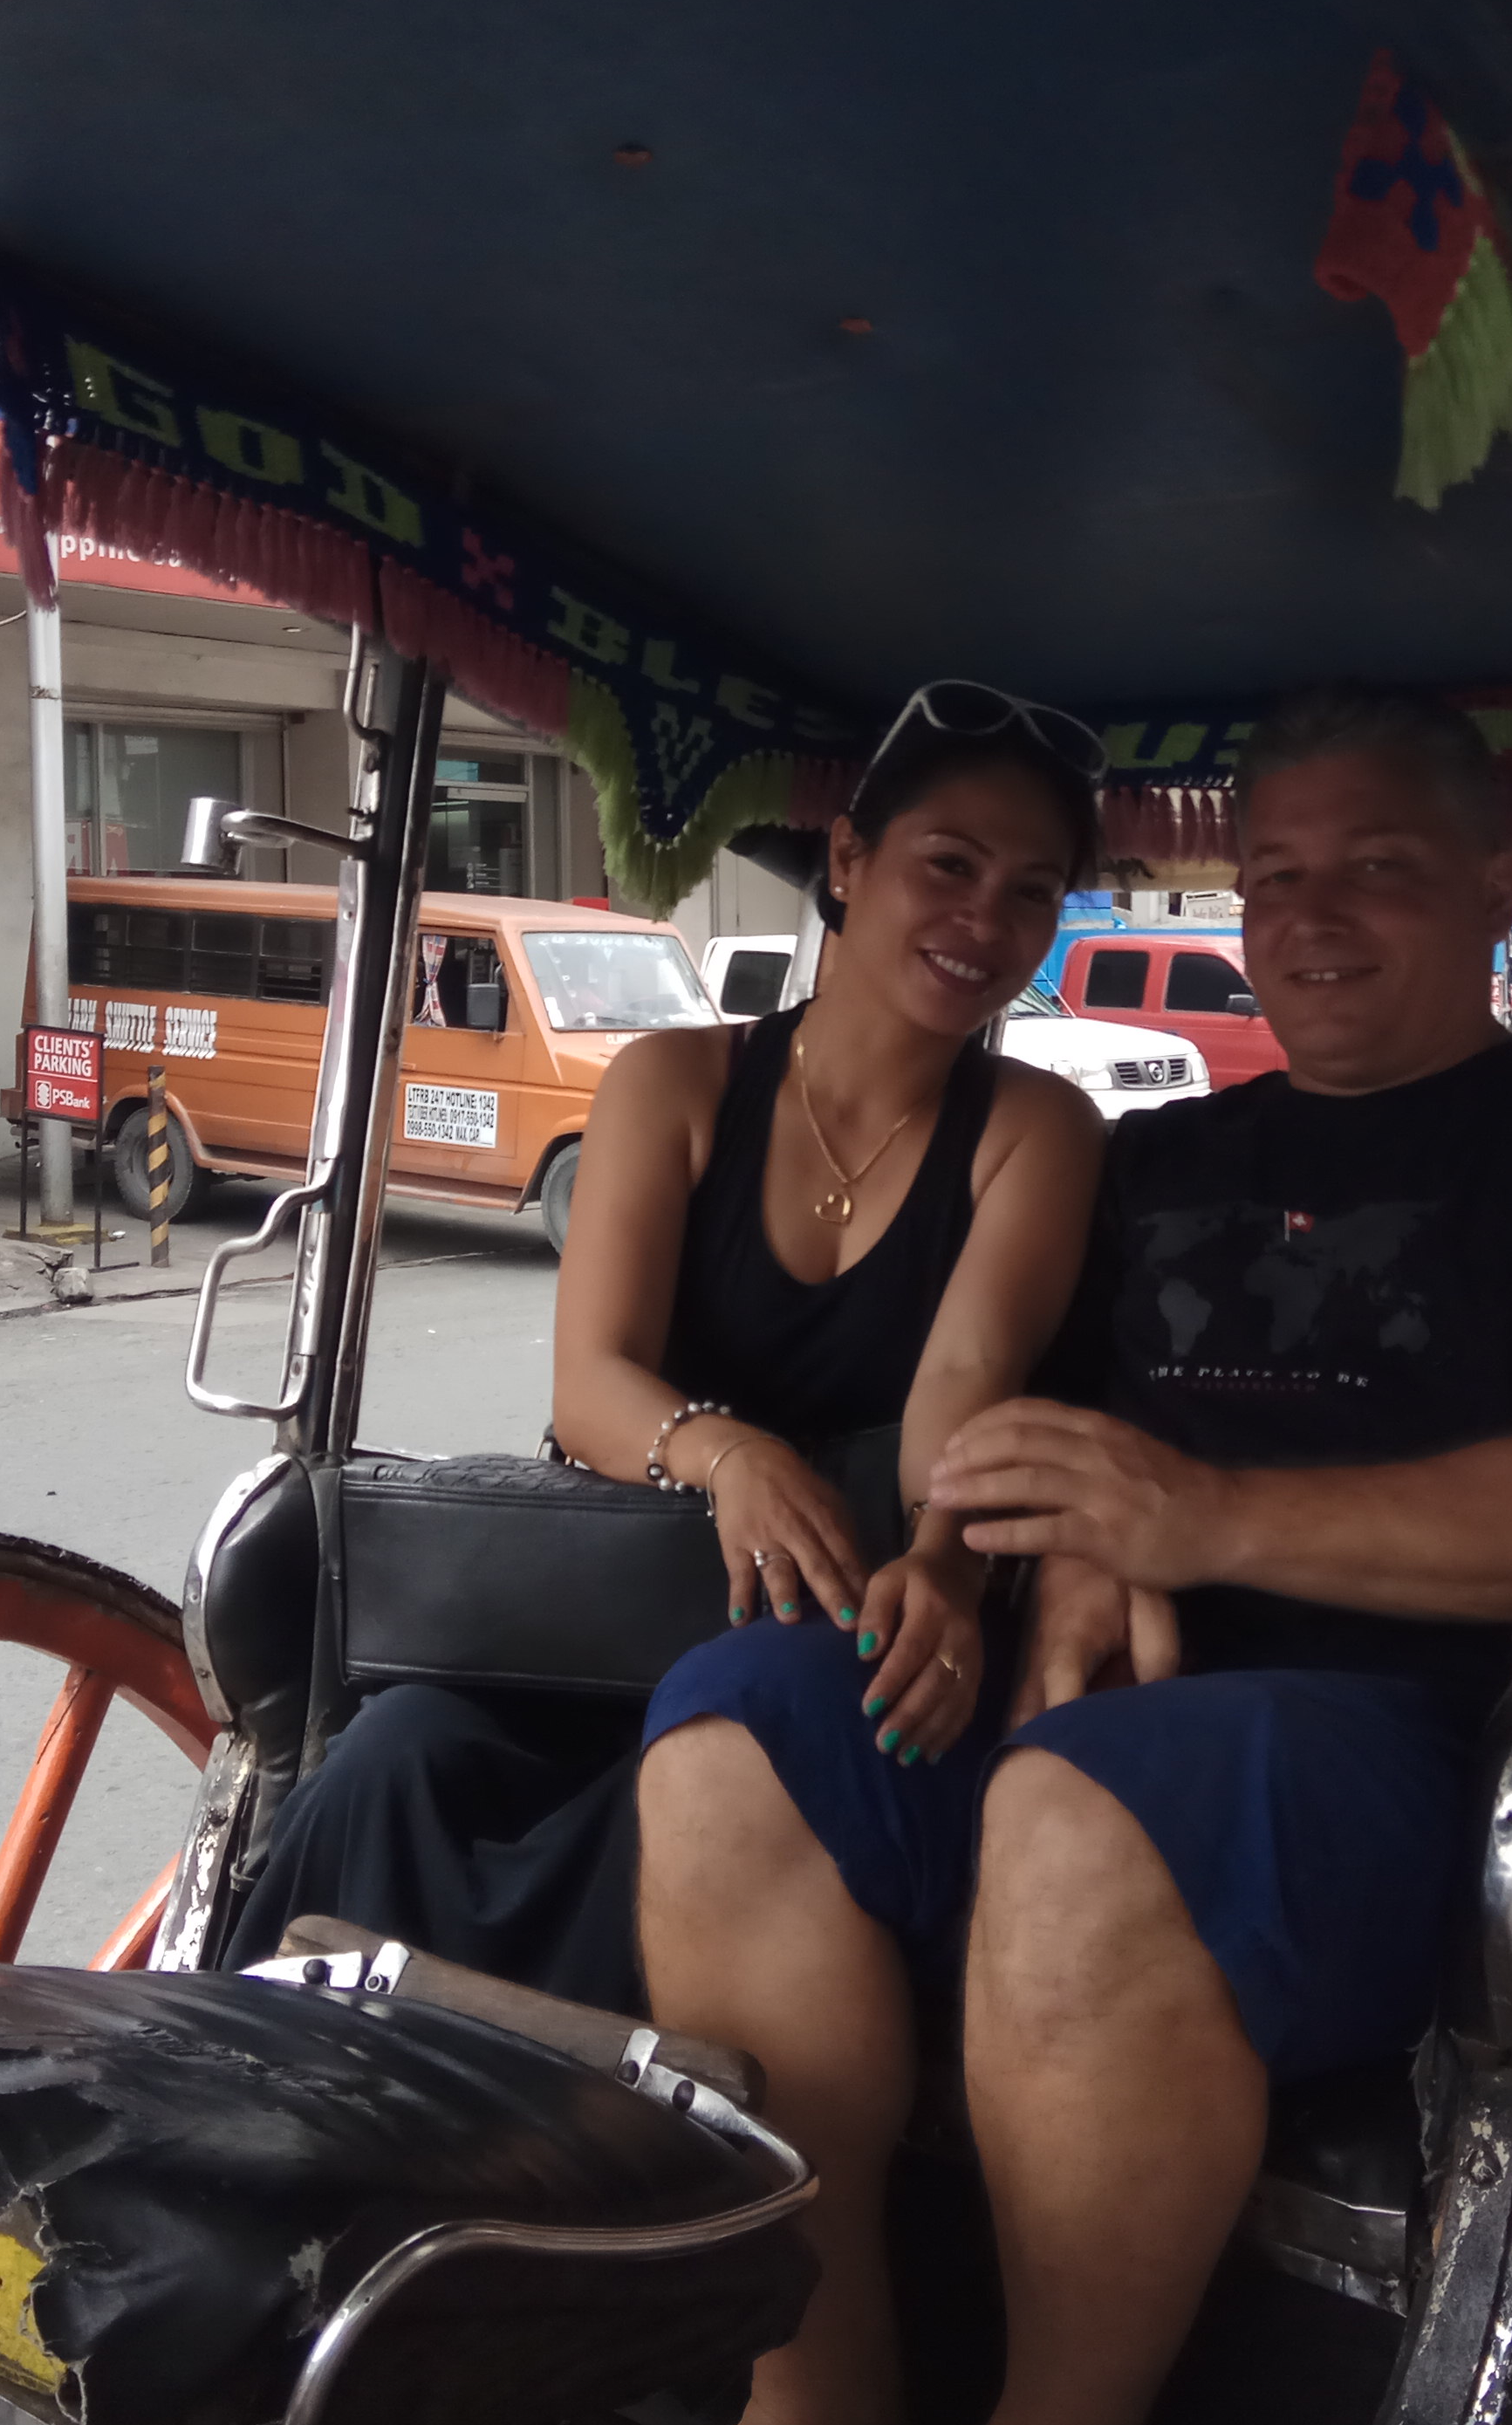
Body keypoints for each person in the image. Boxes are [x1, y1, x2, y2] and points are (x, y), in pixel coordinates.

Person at [637, 686, 1512, 2425]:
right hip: (1096, 1713)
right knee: (739, 1725)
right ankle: (813, 2405)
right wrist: (1019, 1549)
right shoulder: (1162, 1159)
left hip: (1432, 1753)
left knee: (1083, 1805)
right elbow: (1028, 1435)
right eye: (1274, 877)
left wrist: (1201, 1521)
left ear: (1498, 887)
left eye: (1378, 868)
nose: (1313, 918)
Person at [220, 680, 1111, 2009]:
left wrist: (941, 1562)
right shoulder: (675, 1084)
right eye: (949, 866)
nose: (985, 921)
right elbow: (591, 1384)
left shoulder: (1035, 1129)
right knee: (397, 1755)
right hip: (603, 1611)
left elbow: (966, 1381)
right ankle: (254, 2067)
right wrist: (728, 1455)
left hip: (832, 1632)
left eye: (1030, 892)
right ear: (850, 861)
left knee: (699, 1790)